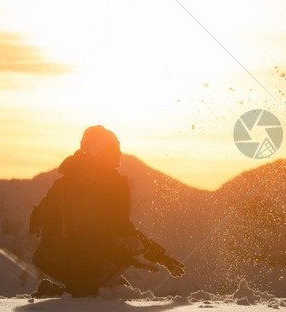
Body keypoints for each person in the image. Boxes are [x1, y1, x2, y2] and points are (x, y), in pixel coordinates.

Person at [29, 125, 184, 297]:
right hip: (63, 259)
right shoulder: (79, 185)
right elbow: (84, 234)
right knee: (105, 294)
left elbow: (121, 228)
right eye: (112, 149)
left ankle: (63, 291)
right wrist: (122, 254)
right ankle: (68, 291)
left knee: (115, 290)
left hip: (74, 257)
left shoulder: (103, 182)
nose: (119, 154)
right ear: (97, 153)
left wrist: (160, 257)